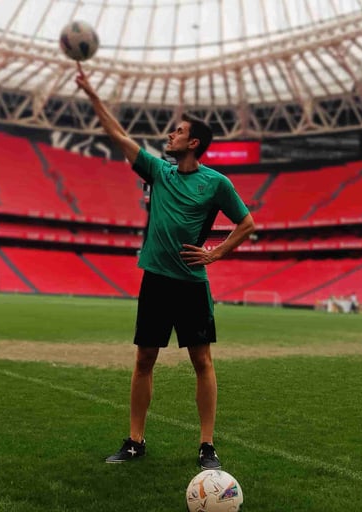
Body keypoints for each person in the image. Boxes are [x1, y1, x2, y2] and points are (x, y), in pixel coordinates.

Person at [75, 63, 255, 470]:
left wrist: (216, 253)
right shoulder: (159, 171)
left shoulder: (216, 183)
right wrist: (91, 95)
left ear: (193, 142)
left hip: (191, 283)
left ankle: (207, 446)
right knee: (144, 360)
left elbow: (247, 224)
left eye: (177, 131)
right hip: (155, 280)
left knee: (202, 362)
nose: (170, 135)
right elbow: (117, 134)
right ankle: (135, 441)